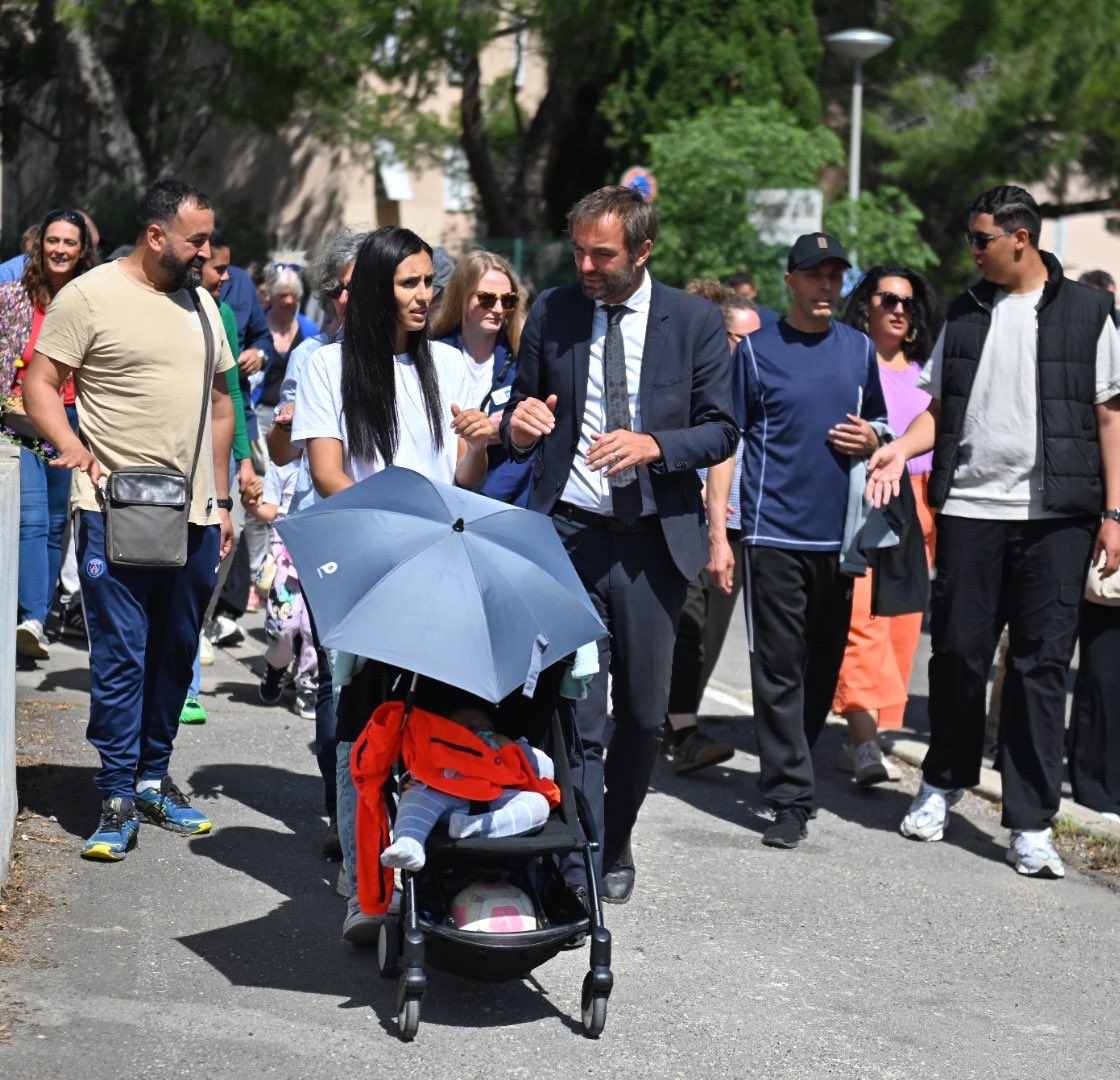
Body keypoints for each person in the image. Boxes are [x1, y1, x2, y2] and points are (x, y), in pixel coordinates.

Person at [867, 185, 1120, 878]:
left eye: (980, 239)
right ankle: (942, 782)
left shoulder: (1091, 312)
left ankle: (1032, 822)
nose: (971, 251)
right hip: (973, 511)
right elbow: (939, 407)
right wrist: (899, 447)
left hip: (1058, 519)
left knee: (1040, 667)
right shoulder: (966, 310)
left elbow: (1110, 418)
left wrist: (1114, 515)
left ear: (1021, 238)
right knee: (958, 654)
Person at [502, 185, 738, 906]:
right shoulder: (553, 310)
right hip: (569, 535)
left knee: (641, 715)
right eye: (578, 250)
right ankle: (582, 849)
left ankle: (619, 833)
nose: (586, 265)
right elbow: (522, 401)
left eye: (601, 253)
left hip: (652, 546)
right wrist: (521, 422)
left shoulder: (694, 322)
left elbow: (723, 428)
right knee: (577, 708)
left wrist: (654, 445)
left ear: (643, 250)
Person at [22, 178, 236, 861]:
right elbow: (40, 381)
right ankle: (114, 792)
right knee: (122, 657)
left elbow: (223, 403)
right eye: (195, 239)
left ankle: (151, 778)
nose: (206, 250)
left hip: (196, 514)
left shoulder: (201, 301)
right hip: (118, 510)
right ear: (156, 236)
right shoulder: (90, 296)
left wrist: (225, 496)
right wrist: (72, 445)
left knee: (174, 656)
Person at [290, 225, 491, 940]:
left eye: (428, 282)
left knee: (438, 718)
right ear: (375, 287)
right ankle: (362, 881)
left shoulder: (451, 366)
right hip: (368, 566)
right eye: (408, 282)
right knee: (363, 724)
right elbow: (327, 473)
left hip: (442, 568)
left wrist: (480, 444)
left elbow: (464, 480)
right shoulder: (327, 366)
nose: (424, 294)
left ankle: (431, 871)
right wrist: (395, 534)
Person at [713, 232, 887, 849]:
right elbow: (726, 443)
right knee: (780, 666)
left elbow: (884, 427)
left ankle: (796, 764)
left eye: (835, 276)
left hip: (838, 540)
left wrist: (873, 440)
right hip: (772, 531)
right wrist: (719, 532)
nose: (825, 286)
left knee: (822, 667)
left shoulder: (860, 348)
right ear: (790, 280)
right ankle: (788, 794)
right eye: (814, 275)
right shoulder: (757, 353)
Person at [267, 225, 367, 867]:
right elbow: (285, 452)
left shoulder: (416, 357)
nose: (352, 300)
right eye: (346, 289)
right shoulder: (313, 358)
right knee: (337, 677)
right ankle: (340, 808)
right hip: (327, 527)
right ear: (333, 294)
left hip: (387, 532)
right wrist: (281, 431)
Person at [829, 265, 942, 785]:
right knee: (861, 621)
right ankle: (864, 740)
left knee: (900, 626)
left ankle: (867, 732)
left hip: (922, 505)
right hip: (867, 499)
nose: (900, 308)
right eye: (889, 297)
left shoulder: (927, 371)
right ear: (866, 304)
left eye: (909, 302)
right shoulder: (850, 361)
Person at [662, 284, 757, 774]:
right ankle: (679, 730)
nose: (753, 350)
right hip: (694, 520)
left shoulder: (754, 383)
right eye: (745, 339)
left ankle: (677, 723)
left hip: (741, 525)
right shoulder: (694, 378)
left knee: (713, 632)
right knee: (689, 625)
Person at [1, 209, 99, 660]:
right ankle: (32, 618)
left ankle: (36, 613)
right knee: (33, 519)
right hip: (21, 421)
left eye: (69, 243)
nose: (60, 250)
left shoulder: (94, 298)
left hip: (74, 419)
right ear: (40, 246)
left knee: (58, 524)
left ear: (83, 250)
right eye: (53, 241)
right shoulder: (15, 295)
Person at [181, 234, 260, 725]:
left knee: (204, 566)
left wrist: (243, 459)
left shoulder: (221, 314)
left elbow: (230, 392)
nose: (224, 275)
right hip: (170, 460)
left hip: (216, 457)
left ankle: (188, 684)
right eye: (216, 267)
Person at [379, 705, 556, 872]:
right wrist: (409, 781)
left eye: (487, 726)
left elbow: (545, 769)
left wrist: (515, 747)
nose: (481, 730)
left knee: (538, 804)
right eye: (470, 728)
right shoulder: (439, 750)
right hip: (446, 797)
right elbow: (421, 768)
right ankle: (410, 843)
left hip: (496, 798)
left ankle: (472, 828)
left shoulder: (505, 746)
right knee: (416, 796)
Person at [429, 249, 533, 504]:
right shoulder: (431, 355)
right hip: (442, 495)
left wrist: (509, 429)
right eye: (487, 299)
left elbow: (530, 447)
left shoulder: (526, 357)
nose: (498, 309)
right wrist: (481, 433)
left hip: (505, 499)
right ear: (461, 297)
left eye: (508, 300)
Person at [247, 457, 317, 720]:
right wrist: (252, 505)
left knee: (314, 628)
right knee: (282, 624)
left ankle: (309, 684)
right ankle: (276, 665)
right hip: (286, 555)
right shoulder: (284, 463)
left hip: (322, 553)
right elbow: (271, 508)